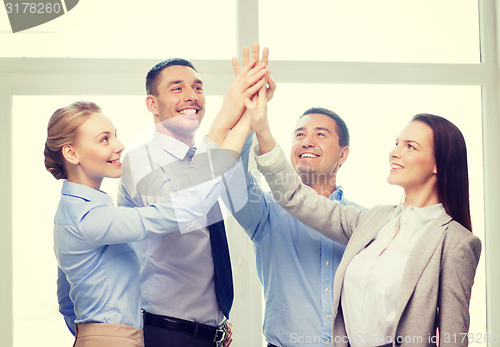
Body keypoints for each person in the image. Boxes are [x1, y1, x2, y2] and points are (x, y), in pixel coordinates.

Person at [244, 90, 481, 347]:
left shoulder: (456, 242)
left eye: (410, 146)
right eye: (397, 142)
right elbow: (295, 197)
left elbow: (453, 339)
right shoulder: (374, 220)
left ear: (438, 164)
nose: (394, 152)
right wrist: (261, 128)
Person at [47, 101, 249, 347]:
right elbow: (180, 210)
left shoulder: (72, 212)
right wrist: (244, 125)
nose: (119, 146)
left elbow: (67, 301)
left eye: (115, 136)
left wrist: (91, 335)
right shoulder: (88, 218)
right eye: (104, 140)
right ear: (71, 153)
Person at [117, 56, 271, 347]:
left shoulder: (206, 157)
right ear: (152, 104)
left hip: (213, 335)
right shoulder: (140, 160)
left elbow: (238, 188)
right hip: (165, 332)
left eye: (198, 88)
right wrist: (228, 117)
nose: (192, 96)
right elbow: (180, 209)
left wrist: (251, 112)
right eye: (177, 88)